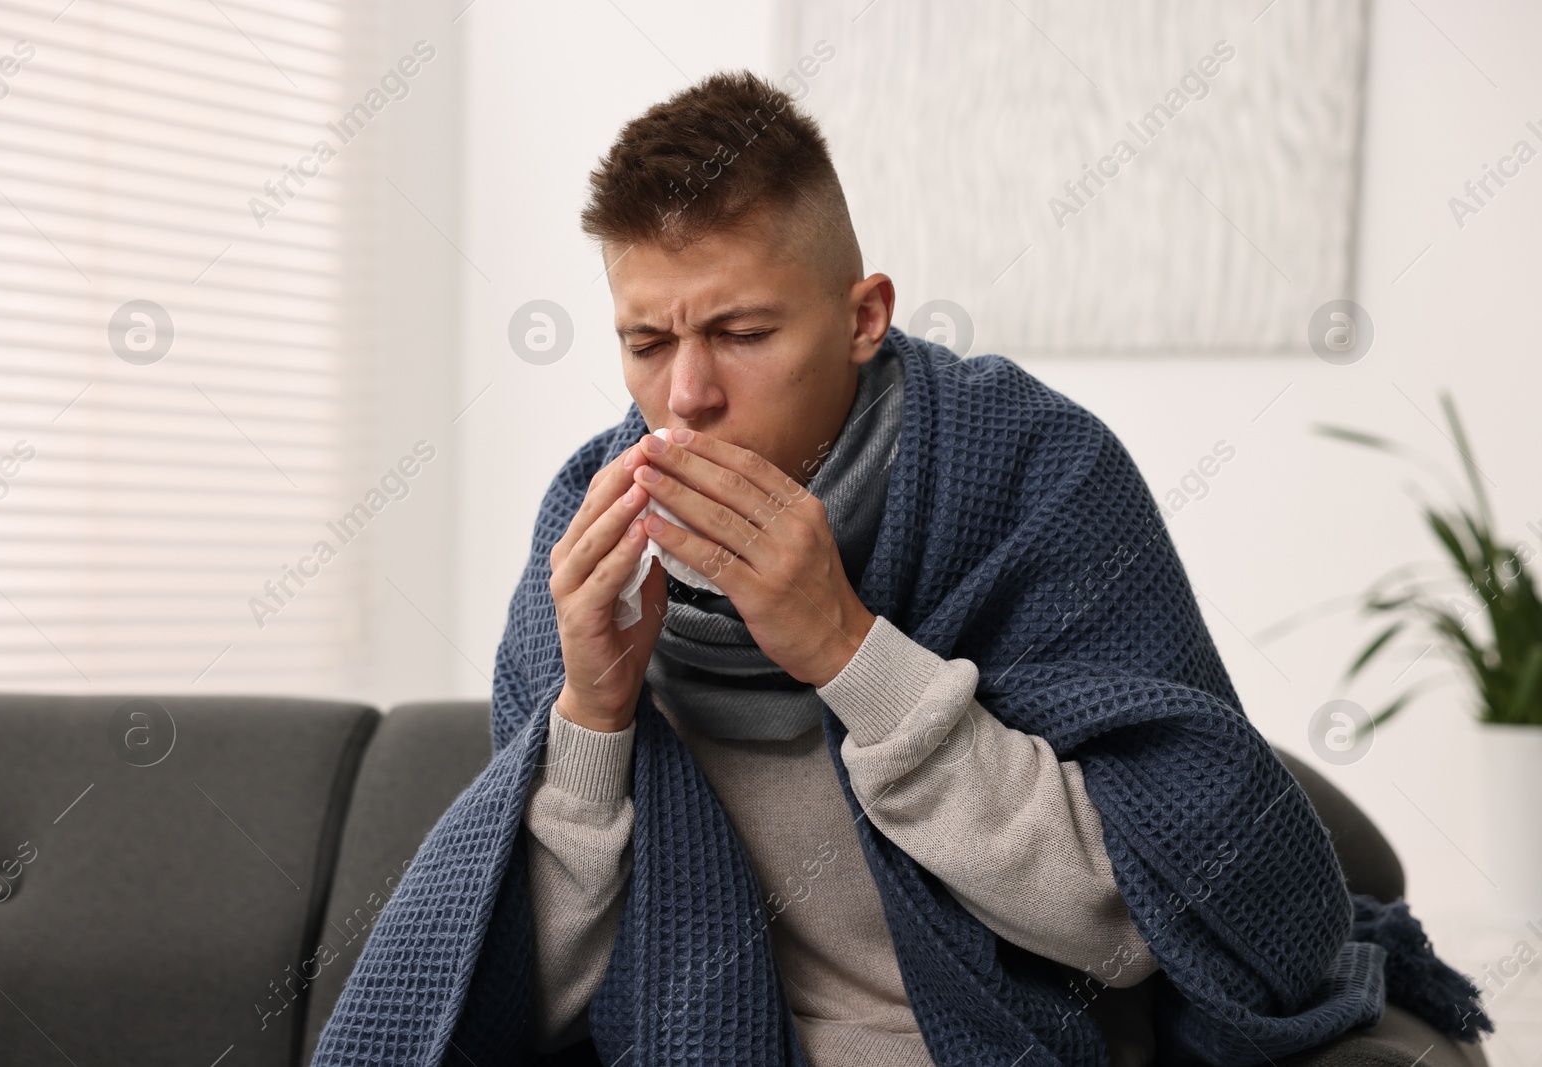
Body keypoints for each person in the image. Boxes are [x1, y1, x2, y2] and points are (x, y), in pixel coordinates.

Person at [311, 69, 1490, 1067]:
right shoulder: (587, 521)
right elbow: (540, 1002)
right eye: (646, 341)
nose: (688, 396)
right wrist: (593, 717)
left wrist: (846, 649)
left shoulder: (1035, 472)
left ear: (864, 314)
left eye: (743, 332)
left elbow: (1136, 932)